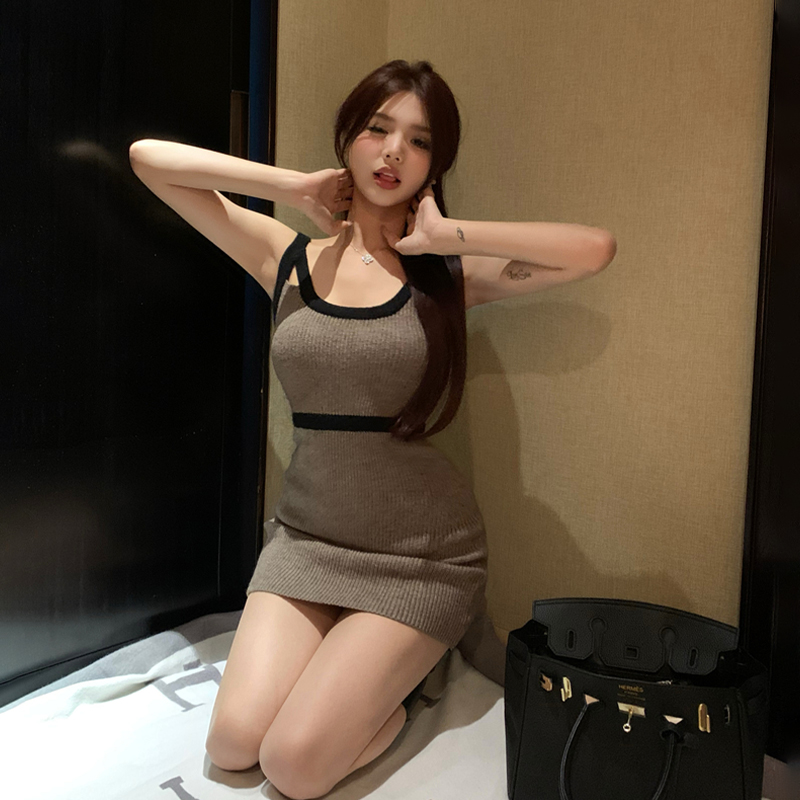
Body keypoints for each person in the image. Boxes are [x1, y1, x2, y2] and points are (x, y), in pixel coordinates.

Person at [129, 58, 615, 800]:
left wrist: (450, 234)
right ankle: (351, 673)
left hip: (418, 559)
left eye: (419, 141)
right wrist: (294, 187)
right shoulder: (285, 257)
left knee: (294, 765)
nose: (393, 152)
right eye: (378, 129)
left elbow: (594, 249)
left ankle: (394, 688)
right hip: (308, 541)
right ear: (348, 137)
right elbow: (150, 161)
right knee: (232, 745)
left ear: (434, 165)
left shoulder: (446, 275)